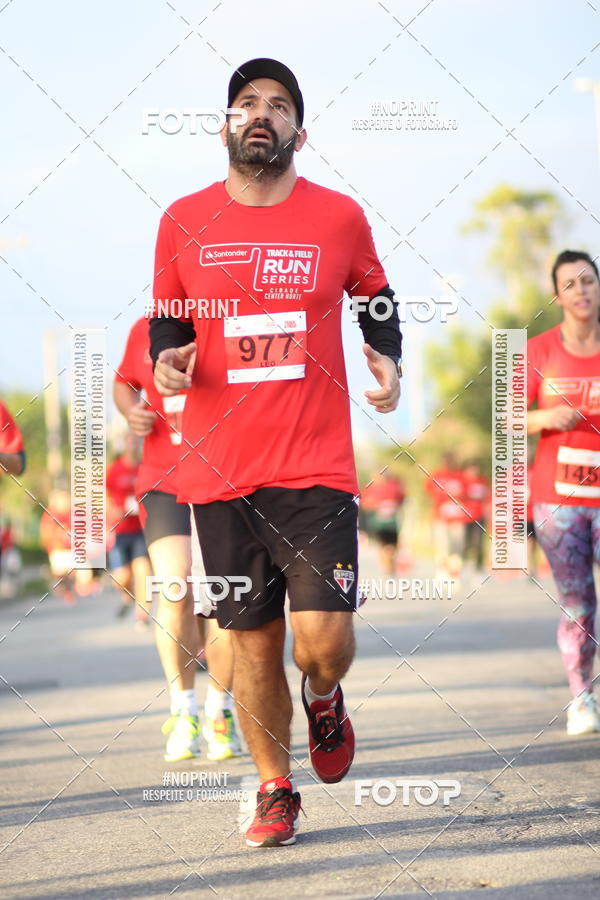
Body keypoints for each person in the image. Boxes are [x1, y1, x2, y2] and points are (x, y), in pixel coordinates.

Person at [150, 58, 402, 847]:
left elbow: (377, 295)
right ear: (226, 125)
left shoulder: (339, 217)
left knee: (320, 641)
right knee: (251, 644)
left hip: (315, 466)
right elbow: (169, 318)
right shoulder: (183, 219)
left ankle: (325, 696)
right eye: (247, 104)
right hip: (220, 471)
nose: (262, 114)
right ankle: (274, 787)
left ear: (300, 130)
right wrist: (167, 359)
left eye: (280, 105)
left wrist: (388, 354)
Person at [114, 317, 240, 762]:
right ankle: (182, 709)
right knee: (175, 584)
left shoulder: (230, 319)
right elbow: (123, 382)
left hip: (228, 476)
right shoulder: (146, 327)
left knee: (223, 595)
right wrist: (131, 411)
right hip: (163, 478)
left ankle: (218, 709)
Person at [528, 249, 600, 736]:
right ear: (557, 295)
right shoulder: (534, 351)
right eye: (570, 284)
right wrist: (543, 418)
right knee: (578, 601)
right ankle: (582, 697)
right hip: (558, 500)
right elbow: (506, 421)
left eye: (588, 280)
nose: (581, 291)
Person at [106, 433, 152, 629]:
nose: (132, 446)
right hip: (121, 530)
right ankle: (127, 595)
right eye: (129, 442)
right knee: (121, 578)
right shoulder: (114, 470)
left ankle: (142, 616)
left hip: (142, 529)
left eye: (135, 442)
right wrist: (115, 510)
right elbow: (104, 497)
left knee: (143, 571)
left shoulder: (146, 467)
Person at [427, 452, 467, 583]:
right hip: (440, 517)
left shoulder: (460, 476)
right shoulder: (436, 475)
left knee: (457, 546)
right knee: (442, 545)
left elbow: (466, 493)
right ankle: (441, 571)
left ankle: (454, 573)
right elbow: (429, 492)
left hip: (457, 517)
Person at [361, 470, 406, 575]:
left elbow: (401, 499)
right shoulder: (371, 489)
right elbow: (364, 503)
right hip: (378, 524)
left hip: (392, 524)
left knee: (391, 547)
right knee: (384, 546)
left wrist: (393, 506)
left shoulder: (393, 487)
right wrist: (375, 505)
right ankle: (386, 567)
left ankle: (388, 565)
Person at [462, 460, 490, 572]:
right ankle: (463, 562)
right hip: (465, 516)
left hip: (479, 516)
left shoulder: (482, 481)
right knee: (466, 541)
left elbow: (487, 497)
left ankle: (479, 565)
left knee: (478, 541)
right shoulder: (463, 481)